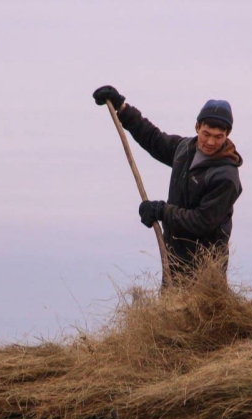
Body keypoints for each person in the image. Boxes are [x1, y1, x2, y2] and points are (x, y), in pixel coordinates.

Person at [93, 85, 244, 283]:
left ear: (227, 134)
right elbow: (153, 138)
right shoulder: (184, 149)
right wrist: (122, 108)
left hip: (206, 275)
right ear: (197, 127)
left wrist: (161, 211)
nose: (210, 142)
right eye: (206, 133)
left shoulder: (226, 176)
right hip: (173, 263)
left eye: (218, 137)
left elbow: (201, 221)